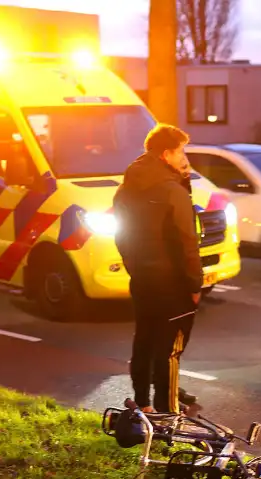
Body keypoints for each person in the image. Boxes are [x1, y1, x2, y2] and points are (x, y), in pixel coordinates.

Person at [114, 124, 202, 414]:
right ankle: (167, 409)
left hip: (142, 278)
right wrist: (194, 285)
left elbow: (121, 235)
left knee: (145, 337)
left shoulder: (127, 188)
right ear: (166, 154)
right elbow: (187, 241)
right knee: (171, 348)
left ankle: (143, 402)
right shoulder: (170, 191)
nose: (183, 158)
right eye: (180, 152)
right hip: (172, 284)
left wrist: (135, 267)